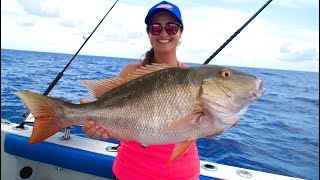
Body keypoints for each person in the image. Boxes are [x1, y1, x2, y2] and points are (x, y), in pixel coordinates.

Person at [81, 1, 200, 179]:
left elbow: (206, 129)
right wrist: (97, 126)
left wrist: (221, 122)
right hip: (130, 172)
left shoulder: (194, 80)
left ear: (180, 32)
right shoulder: (131, 72)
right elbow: (121, 126)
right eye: (156, 28)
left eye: (171, 28)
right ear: (149, 33)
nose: (164, 33)